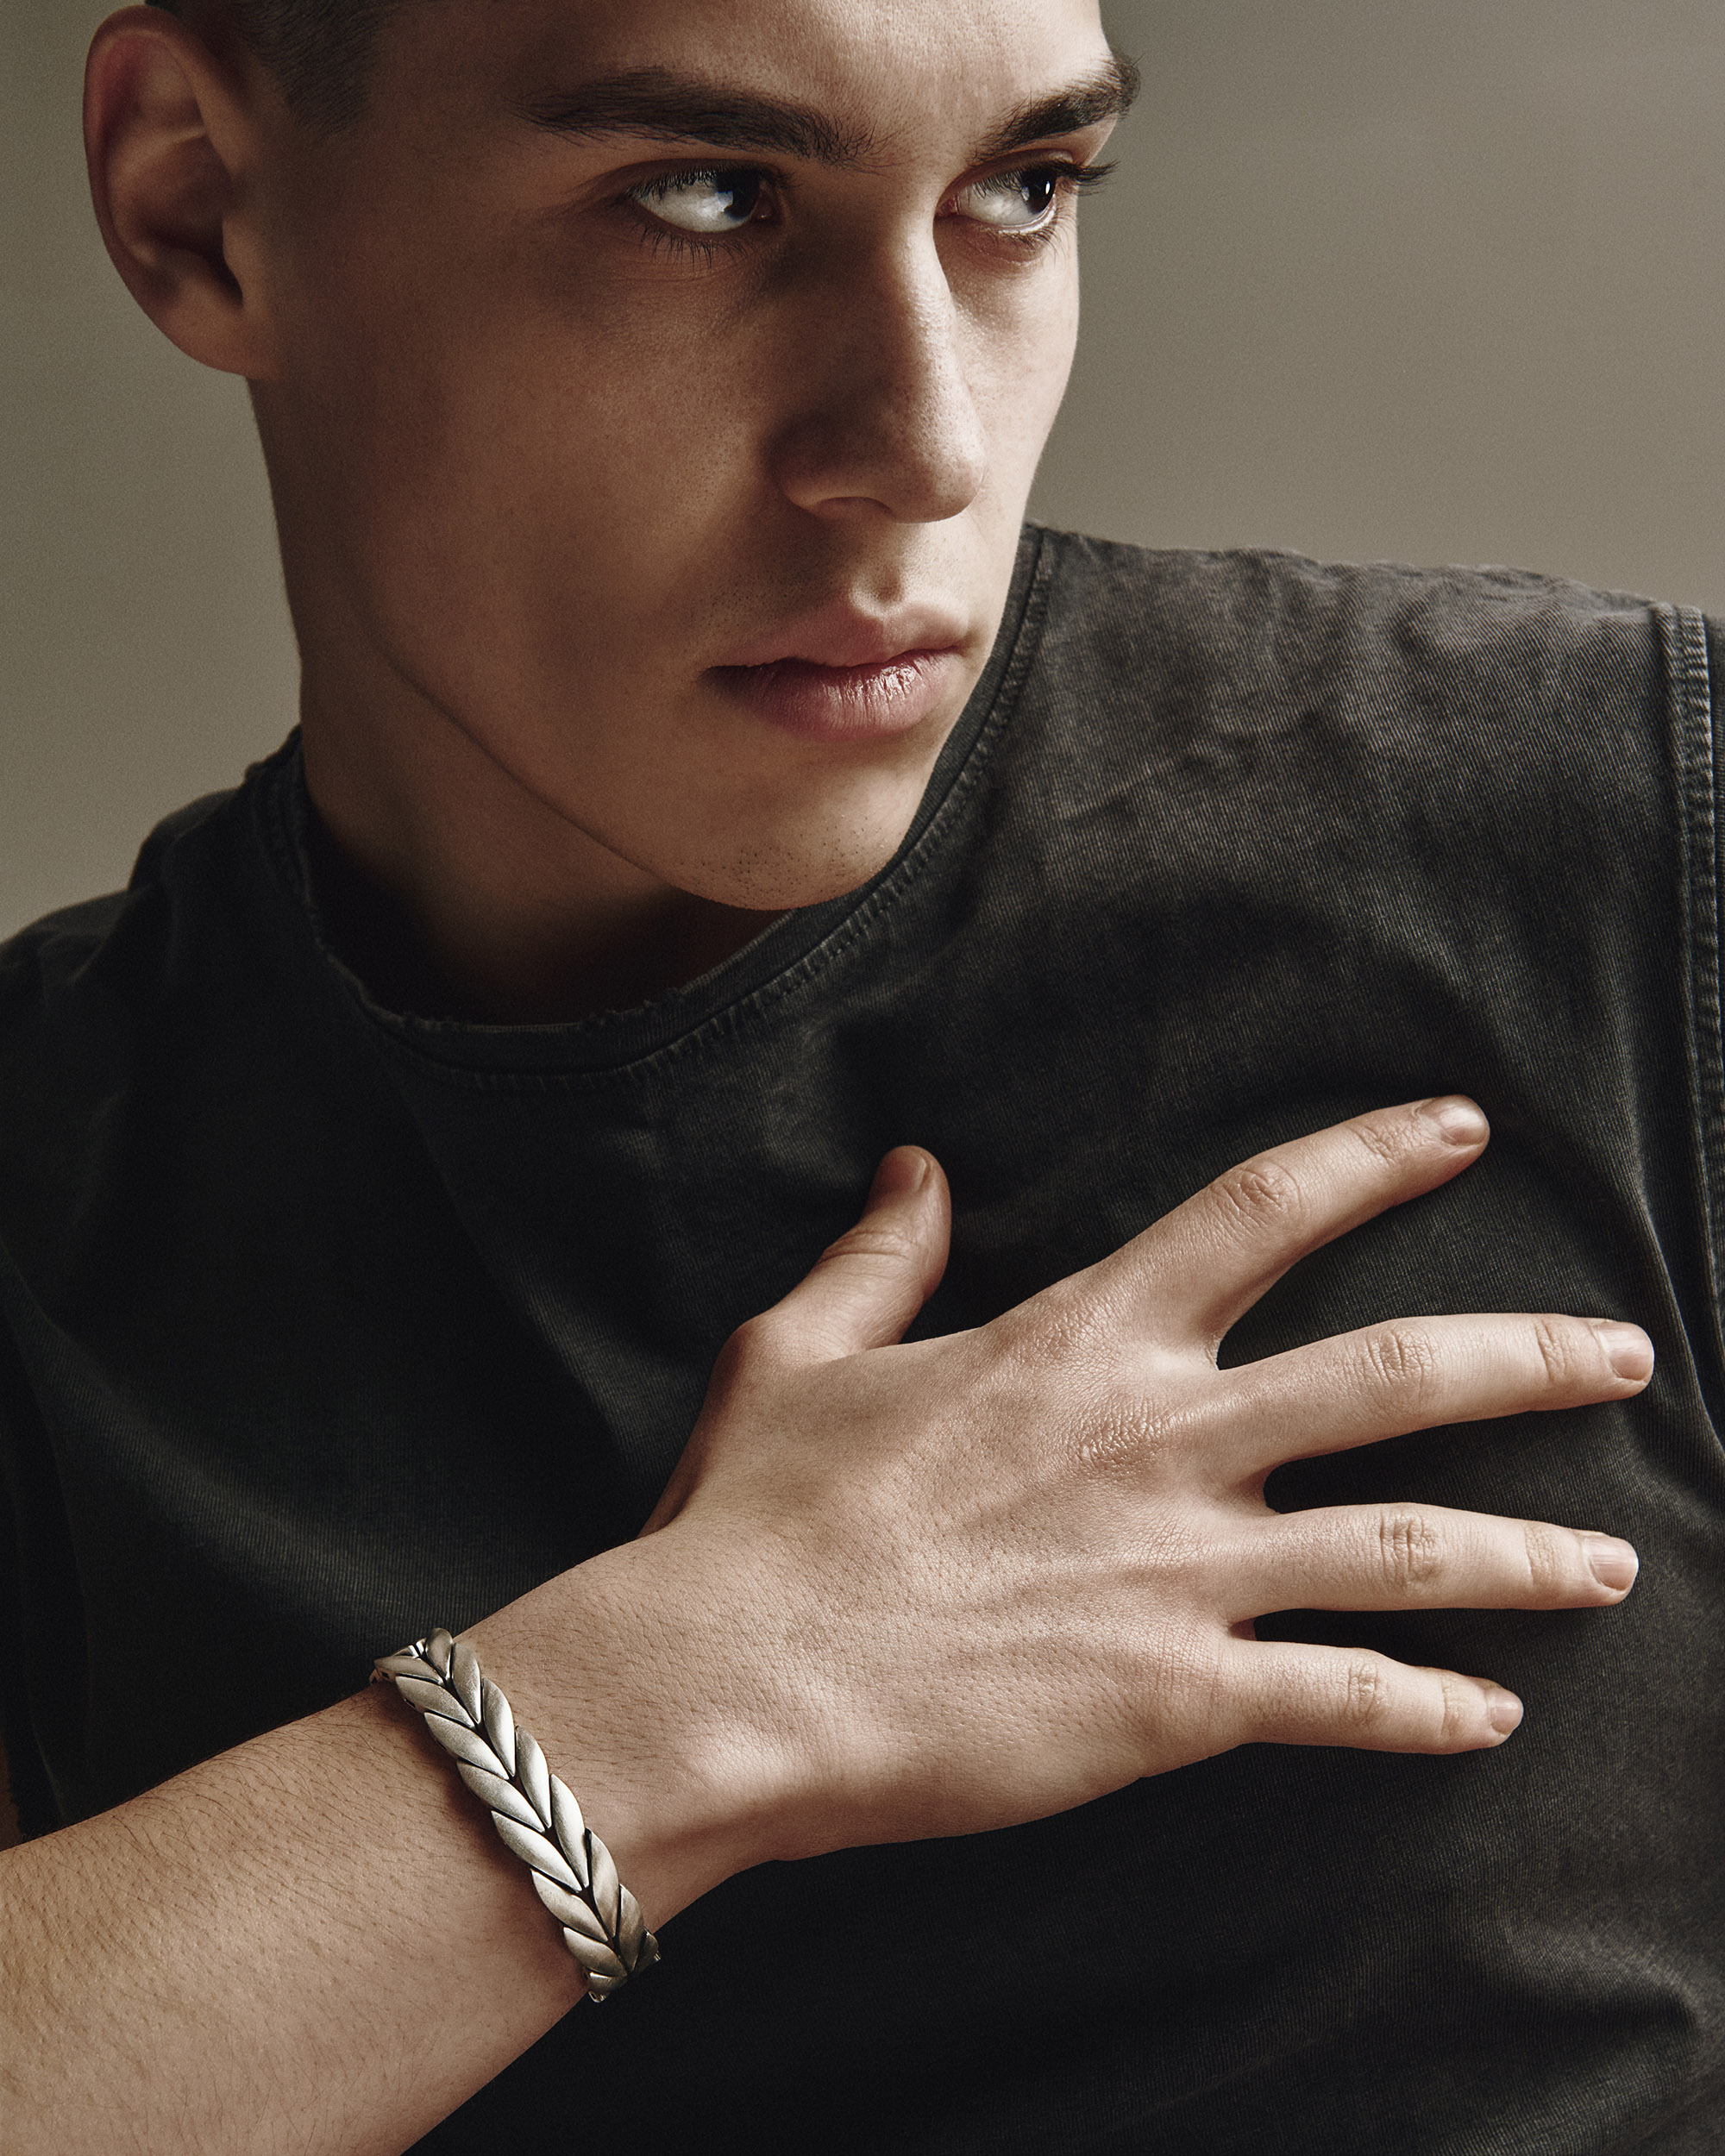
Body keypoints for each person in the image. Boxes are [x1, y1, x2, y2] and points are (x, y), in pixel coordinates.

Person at [2, 0, 1721, 2148]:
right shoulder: (47, 1189)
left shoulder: (1624, 835)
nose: (923, 444)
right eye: (704, 197)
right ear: (195, 203)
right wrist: (675, 1698)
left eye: (1023, 188)